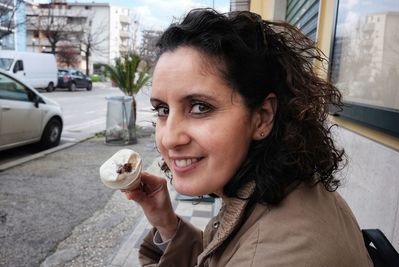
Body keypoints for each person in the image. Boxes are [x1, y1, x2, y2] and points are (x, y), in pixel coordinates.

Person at [123, 8, 373, 267]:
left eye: (200, 107)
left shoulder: (277, 254)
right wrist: (167, 223)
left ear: (263, 117)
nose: (169, 139)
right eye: (163, 110)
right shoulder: (283, 186)